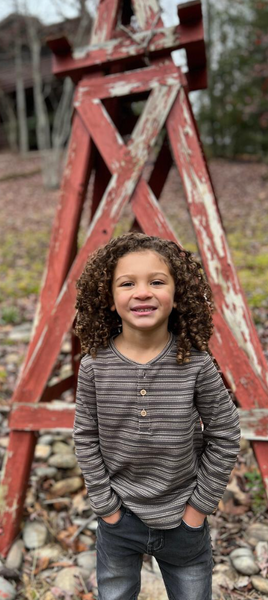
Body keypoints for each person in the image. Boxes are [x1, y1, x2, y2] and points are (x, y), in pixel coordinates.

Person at [73, 232, 240, 600]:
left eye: (157, 282)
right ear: (109, 297)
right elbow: (85, 439)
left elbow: (225, 434)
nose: (143, 292)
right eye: (128, 283)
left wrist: (198, 509)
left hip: (184, 519)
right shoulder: (94, 367)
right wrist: (107, 507)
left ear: (177, 294)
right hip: (119, 519)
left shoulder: (195, 363)